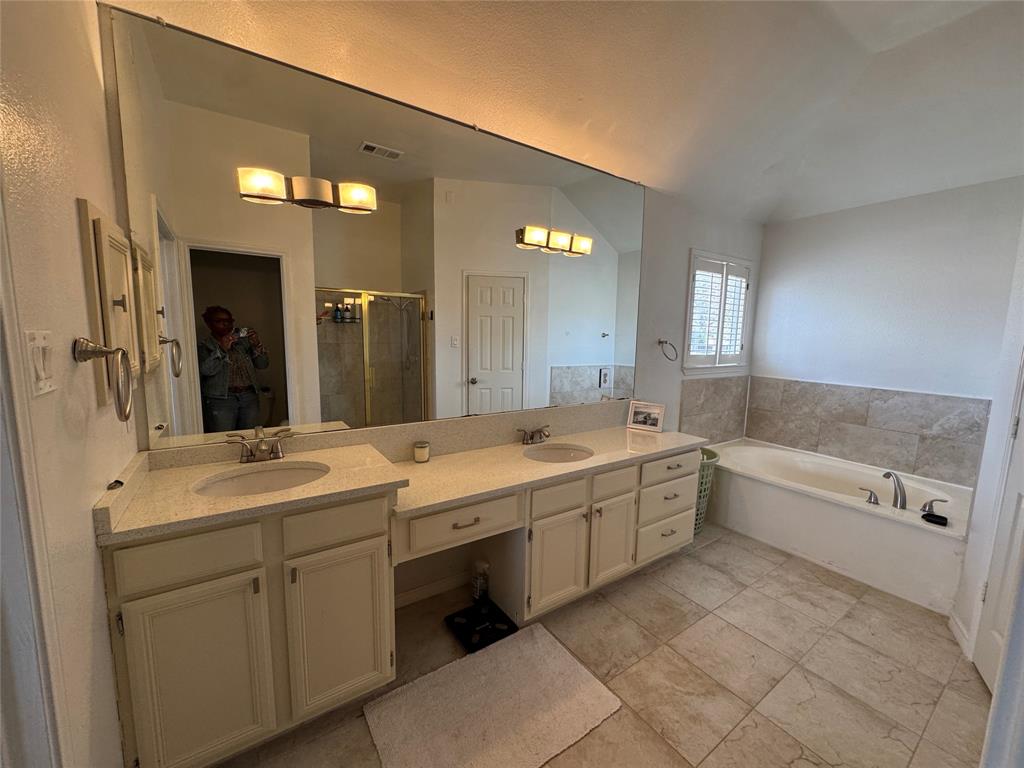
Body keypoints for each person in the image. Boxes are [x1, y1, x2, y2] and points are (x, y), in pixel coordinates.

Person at [197, 305, 269, 433]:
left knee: (250, 436)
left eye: (228, 321)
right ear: (209, 323)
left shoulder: (242, 343)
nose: (225, 324)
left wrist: (257, 345)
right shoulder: (205, 346)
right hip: (221, 399)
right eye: (219, 321)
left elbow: (263, 364)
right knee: (223, 439)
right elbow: (206, 370)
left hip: (248, 396)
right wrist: (222, 349)